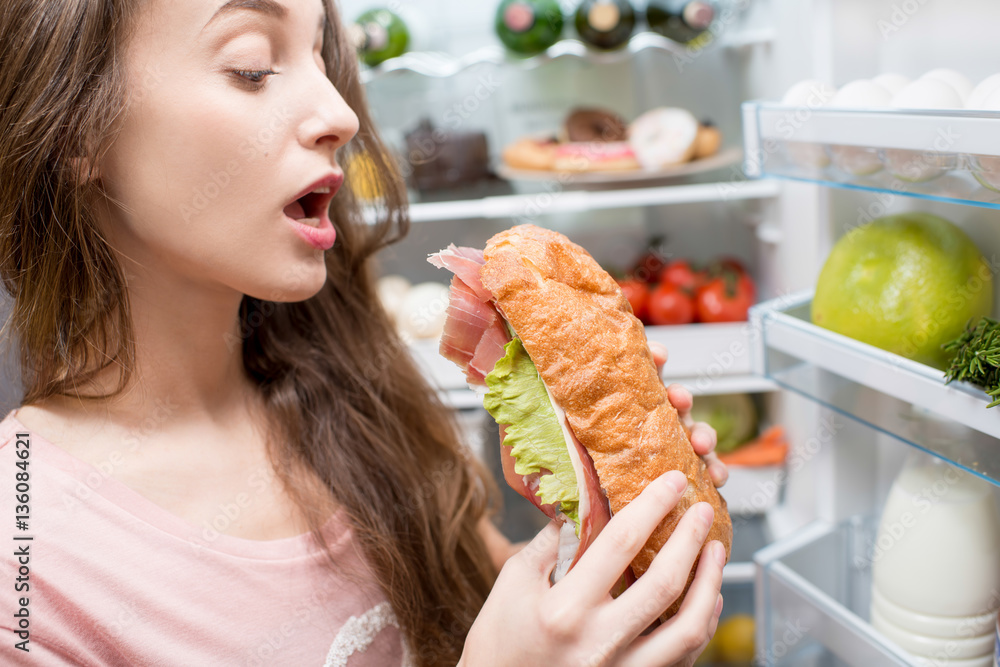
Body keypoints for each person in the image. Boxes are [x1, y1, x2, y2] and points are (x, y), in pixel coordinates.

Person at [0, 0, 730, 665]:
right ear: (77, 130)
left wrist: (590, 533)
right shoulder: (27, 563)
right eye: (251, 68)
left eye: (324, 57)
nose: (339, 113)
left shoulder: (357, 401)